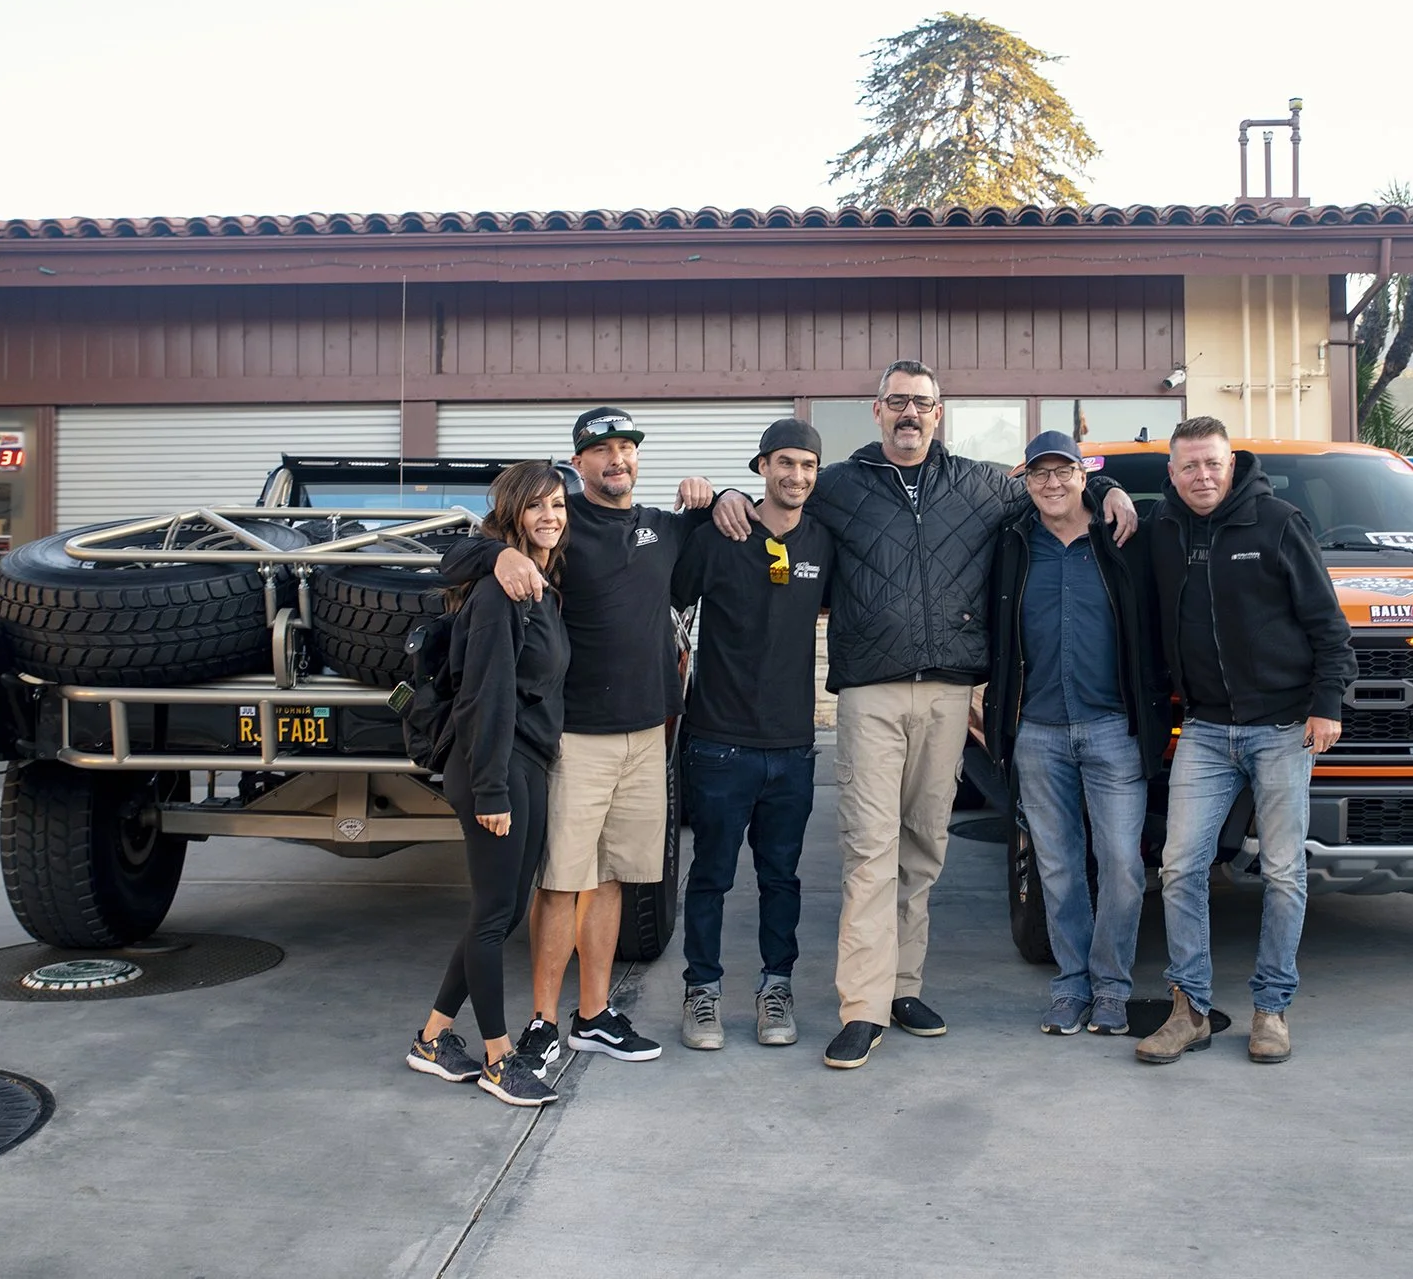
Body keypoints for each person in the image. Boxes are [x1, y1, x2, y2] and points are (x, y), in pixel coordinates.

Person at [716, 360, 1138, 1070]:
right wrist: (725, 491)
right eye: (898, 401)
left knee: (922, 850)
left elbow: (1051, 484)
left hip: (948, 694)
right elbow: (779, 494)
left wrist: (1107, 484)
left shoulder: (979, 484)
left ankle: (904, 987)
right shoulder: (840, 484)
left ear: (939, 413)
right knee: (870, 851)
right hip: (872, 693)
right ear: (877, 410)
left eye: (923, 402)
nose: (910, 412)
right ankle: (863, 1006)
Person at [467, 406, 716, 1070]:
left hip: (646, 734)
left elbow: (716, 541)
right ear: (577, 463)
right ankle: (544, 1020)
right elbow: (465, 546)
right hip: (576, 737)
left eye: (627, 447)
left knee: (611, 879)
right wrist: (497, 555)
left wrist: (717, 495)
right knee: (561, 883)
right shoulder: (562, 527)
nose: (617, 459)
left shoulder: (663, 527)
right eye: (601, 449)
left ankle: (594, 1013)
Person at [1136, 416, 1355, 1067]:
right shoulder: (1164, 532)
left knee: (1284, 871)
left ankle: (1271, 1008)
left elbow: (1329, 625)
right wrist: (1105, 495)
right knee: (1179, 865)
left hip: (1284, 727)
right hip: (1204, 729)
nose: (1202, 475)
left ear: (1231, 465)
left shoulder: (1278, 522)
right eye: (1189, 466)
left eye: (1212, 463)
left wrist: (1327, 704)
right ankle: (1190, 1009)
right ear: (1171, 475)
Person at [985, 430, 1169, 1039]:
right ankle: (1070, 985)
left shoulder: (1121, 538)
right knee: (1058, 868)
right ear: (1027, 480)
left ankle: (1112, 988)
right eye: (1040, 474)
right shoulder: (1014, 542)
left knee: (1120, 864)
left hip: (1113, 728)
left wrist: (1117, 489)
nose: (1053, 483)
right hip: (1036, 731)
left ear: (1083, 475)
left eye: (1064, 471)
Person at [407, 461, 571, 1107]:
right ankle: (500, 1055)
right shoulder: (502, 591)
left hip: (523, 761)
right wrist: (494, 790)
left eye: (558, 503)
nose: (551, 516)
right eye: (536, 506)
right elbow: (487, 696)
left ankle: (432, 1036)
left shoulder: (536, 582)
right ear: (511, 515)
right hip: (493, 768)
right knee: (494, 915)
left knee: (494, 914)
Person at [670, 418, 834, 1051]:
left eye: (808, 466)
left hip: (792, 746)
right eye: (785, 463)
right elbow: (671, 588)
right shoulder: (722, 533)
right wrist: (705, 501)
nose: (797, 476)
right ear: (761, 467)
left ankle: (776, 990)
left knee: (781, 879)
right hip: (719, 744)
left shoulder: (825, 539)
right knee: (710, 876)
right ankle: (703, 993)